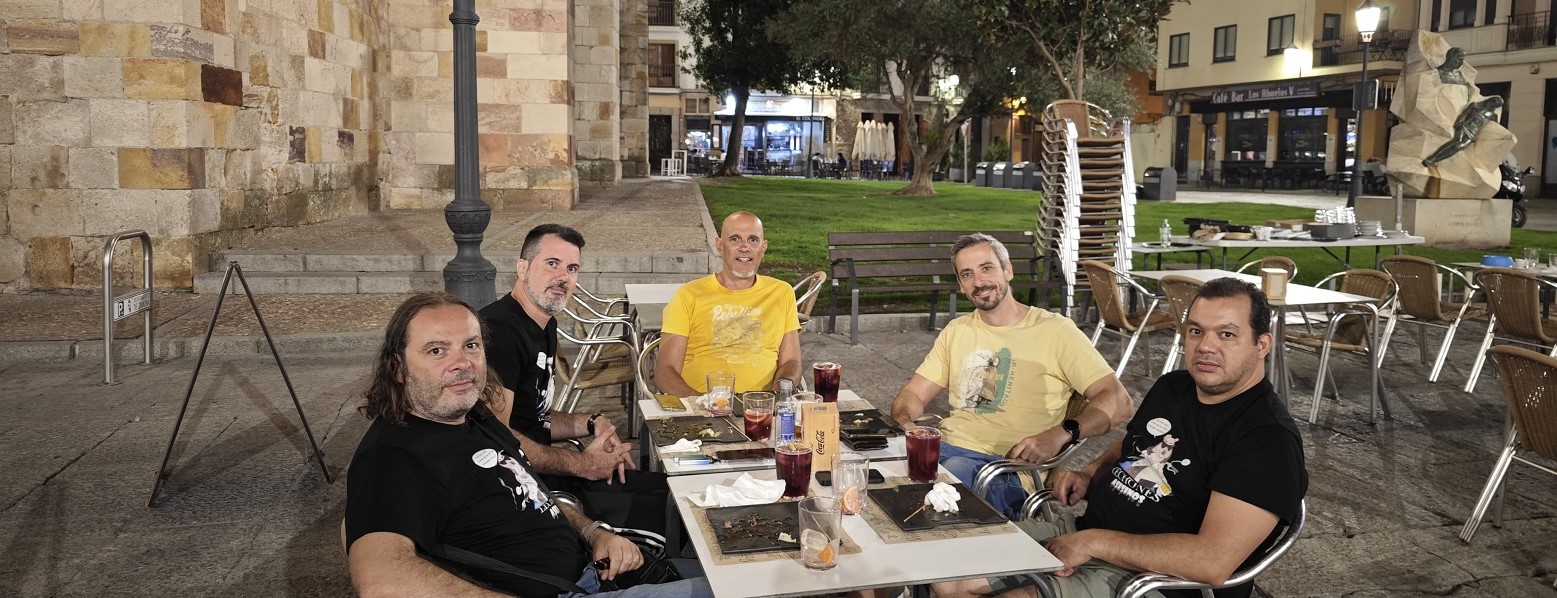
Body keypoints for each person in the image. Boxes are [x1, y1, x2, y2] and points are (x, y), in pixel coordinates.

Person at [934, 278, 1308, 598]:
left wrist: (1095, 543)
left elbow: (1212, 561)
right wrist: (1090, 472)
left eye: (1227, 334)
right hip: (1085, 533)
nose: (1206, 346)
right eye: (1196, 331)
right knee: (945, 570)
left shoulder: (1266, 439)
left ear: (1262, 344)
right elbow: (1135, 447)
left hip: (1157, 582)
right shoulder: (1174, 387)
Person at [345, 292, 713, 597]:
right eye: (437, 351)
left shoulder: (476, 417)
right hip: (567, 590)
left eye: (471, 346)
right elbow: (380, 579)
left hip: (599, 567)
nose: (462, 363)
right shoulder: (392, 454)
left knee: (732, 564)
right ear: (397, 368)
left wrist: (594, 533)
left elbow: (534, 495)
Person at [890, 233, 1134, 519]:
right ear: (960, 284)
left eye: (986, 268)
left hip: (1005, 471)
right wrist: (907, 424)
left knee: (935, 490)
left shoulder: (1055, 331)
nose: (978, 281)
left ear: (1008, 270)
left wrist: (1063, 433)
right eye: (967, 274)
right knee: (868, 473)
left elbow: (1119, 402)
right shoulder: (957, 330)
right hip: (945, 451)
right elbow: (914, 394)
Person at [480, 223, 671, 535]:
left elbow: (532, 418)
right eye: (552, 264)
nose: (563, 277)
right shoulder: (500, 333)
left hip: (551, 475)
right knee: (674, 515)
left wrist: (592, 422)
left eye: (571, 268)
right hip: (526, 494)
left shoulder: (543, 324)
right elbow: (497, 440)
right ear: (522, 268)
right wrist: (583, 464)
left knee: (674, 491)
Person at [654, 211, 801, 397]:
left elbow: (791, 361)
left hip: (761, 404)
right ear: (719, 246)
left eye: (753, 240)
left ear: (763, 248)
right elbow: (665, 371)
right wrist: (701, 404)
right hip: (701, 403)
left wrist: (779, 394)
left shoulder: (782, 292)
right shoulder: (688, 295)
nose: (745, 247)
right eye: (735, 239)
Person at [1422, 96, 1505, 167]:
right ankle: (1431, 159)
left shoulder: (1492, 116)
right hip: (1464, 126)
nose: (1493, 104)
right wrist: (1458, 122)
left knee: (1458, 147)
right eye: (1494, 101)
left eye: (1496, 104)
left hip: (1472, 134)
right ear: (1490, 100)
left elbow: (1493, 129)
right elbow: (1463, 114)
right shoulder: (1475, 105)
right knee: (1457, 141)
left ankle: (1434, 160)